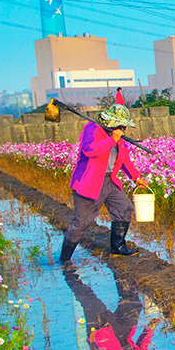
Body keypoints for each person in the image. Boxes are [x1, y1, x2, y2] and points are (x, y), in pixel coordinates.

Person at [60, 103, 149, 263]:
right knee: (81, 223)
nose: (124, 130)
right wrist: (111, 139)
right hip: (90, 182)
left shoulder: (118, 138)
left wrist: (135, 177)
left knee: (124, 208)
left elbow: (124, 159)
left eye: (124, 127)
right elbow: (90, 150)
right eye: (121, 126)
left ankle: (118, 248)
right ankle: (64, 260)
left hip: (110, 181)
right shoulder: (92, 129)